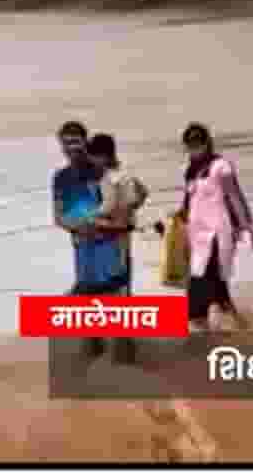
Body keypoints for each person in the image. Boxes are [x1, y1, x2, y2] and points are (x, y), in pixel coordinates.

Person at [179, 123, 253, 332]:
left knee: (201, 282)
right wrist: (178, 221)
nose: (194, 147)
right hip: (197, 236)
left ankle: (204, 330)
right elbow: (190, 201)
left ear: (207, 142)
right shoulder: (189, 170)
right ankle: (241, 325)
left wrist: (248, 228)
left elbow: (235, 198)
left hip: (218, 234)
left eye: (198, 142)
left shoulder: (221, 167)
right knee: (214, 284)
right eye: (190, 143)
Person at [86, 133, 148, 365]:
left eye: (93, 156)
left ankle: (122, 349)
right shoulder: (126, 175)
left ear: (103, 155)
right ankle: (124, 344)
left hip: (110, 240)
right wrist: (129, 215)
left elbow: (108, 206)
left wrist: (91, 217)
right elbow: (142, 194)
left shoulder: (108, 179)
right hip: (122, 238)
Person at [51, 121, 108, 358]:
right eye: (67, 142)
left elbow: (119, 203)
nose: (72, 147)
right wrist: (77, 227)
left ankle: (120, 347)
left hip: (110, 239)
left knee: (113, 292)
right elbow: (58, 215)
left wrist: (104, 225)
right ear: (61, 146)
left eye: (77, 141)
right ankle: (93, 343)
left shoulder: (101, 171)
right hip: (81, 241)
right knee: (88, 292)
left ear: (86, 142)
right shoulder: (60, 177)